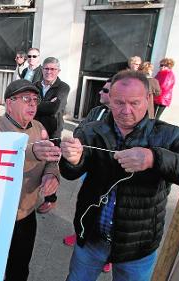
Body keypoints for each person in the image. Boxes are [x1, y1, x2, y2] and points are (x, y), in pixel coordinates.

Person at [60, 70, 179, 281]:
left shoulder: (169, 135)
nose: (126, 110)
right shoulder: (91, 130)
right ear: (109, 100)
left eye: (134, 103)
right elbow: (71, 174)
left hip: (137, 245)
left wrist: (155, 158)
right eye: (118, 103)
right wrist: (72, 160)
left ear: (148, 99)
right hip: (91, 237)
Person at [0, 79, 61, 280]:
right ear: (9, 103)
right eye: (26, 99)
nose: (33, 104)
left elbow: (51, 159)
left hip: (26, 214)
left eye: (35, 99)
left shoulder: (39, 127)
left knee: (20, 268)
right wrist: (31, 151)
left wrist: (51, 174)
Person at [63, 77, 114, 274]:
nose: (100, 93)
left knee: (108, 208)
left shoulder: (122, 118)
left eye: (106, 91)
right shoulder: (96, 110)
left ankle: (108, 254)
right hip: (89, 164)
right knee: (86, 200)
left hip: (110, 171)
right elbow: (80, 130)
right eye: (102, 90)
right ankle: (81, 233)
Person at [33, 57, 70, 214]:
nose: (49, 72)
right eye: (46, 68)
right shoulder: (34, 86)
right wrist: (41, 105)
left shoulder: (63, 87)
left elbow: (54, 108)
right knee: (33, 162)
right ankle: (32, 193)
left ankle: (50, 199)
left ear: (58, 71)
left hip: (52, 132)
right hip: (34, 130)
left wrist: (35, 104)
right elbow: (28, 104)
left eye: (53, 69)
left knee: (50, 167)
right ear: (42, 70)